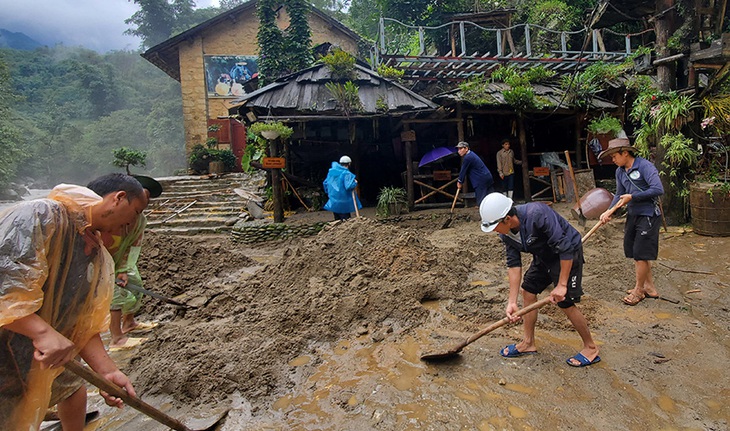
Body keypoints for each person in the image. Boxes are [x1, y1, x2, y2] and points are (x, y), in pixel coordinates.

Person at [0, 173, 147, 430]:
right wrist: (42, 331)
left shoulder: (92, 252)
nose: (132, 223)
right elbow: (6, 288)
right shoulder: (40, 216)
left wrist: (107, 371)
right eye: (135, 212)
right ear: (119, 199)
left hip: (33, 360)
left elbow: (80, 322)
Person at [479, 192, 600, 367]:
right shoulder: (505, 234)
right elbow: (513, 265)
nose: (494, 231)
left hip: (568, 253)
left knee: (564, 301)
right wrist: (512, 301)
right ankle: (528, 342)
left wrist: (561, 285)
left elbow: (565, 248)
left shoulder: (537, 214)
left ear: (506, 219)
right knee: (527, 290)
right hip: (544, 255)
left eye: (495, 226)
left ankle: (591, 347)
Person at [87, 175, 162, 348]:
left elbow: (133, 244)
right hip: (102, 262)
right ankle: (116, 338)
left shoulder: (139, 220)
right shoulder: (107, 219)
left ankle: (129, 322)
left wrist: (123, 268)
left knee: (136, 284)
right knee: (116, 295)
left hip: (121, 260)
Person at [598, 138, 664, 306]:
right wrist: (609, 211)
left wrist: (633, 196)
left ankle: (638, 290)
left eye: (614, 156)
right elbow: (619, 194)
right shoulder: (620, 172)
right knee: (636, 253)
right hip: (633, 214)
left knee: (641, 254)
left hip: (648, 214)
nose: (612, 160)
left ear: (625, 153)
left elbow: (658, 189)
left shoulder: (645, 166)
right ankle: (650, 288)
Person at [323, 155, 362, 221]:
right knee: (346, 221)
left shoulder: (331, 172)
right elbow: (348, 186)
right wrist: (355, 182)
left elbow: (325, 184)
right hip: (344, 202)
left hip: (334, 201)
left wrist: (330, 194)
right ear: (349, 164)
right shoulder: (346, 173)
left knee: (337, 221)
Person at [456, 141, 494, 206]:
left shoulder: (468, 157)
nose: (459, 151)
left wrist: (460, 181)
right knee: (491, 197)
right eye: (458, 149)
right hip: (487, 177)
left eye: (461, 149)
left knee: (481, 201)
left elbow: (463, 171)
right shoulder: (472, 154)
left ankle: (483, 214)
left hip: (481, 180)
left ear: (466, 149)